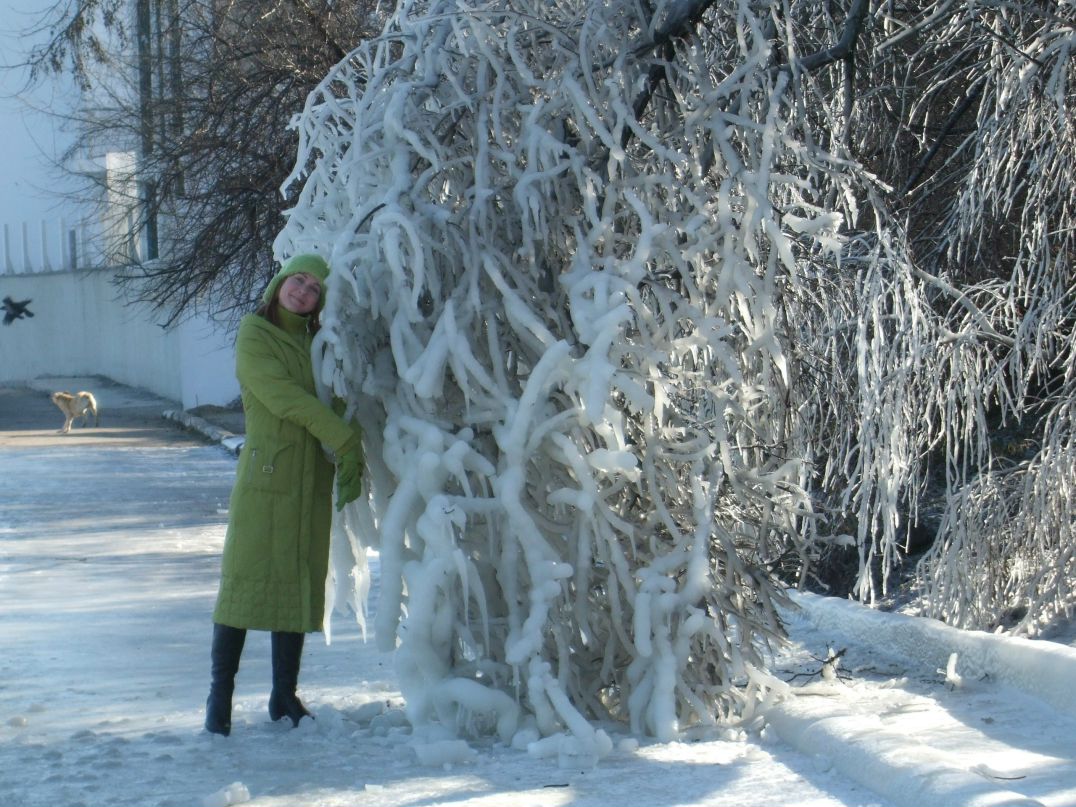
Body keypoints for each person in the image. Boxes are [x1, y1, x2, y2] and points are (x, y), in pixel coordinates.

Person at [204, 253, 364, 736]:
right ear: (279, 282)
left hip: (309, 480)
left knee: (297, 583)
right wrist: (343, 438)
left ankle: (283, 695)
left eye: (315, 289)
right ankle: (219, 700)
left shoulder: (316, 343)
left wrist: (352, 431)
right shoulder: (255, 334)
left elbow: (333, 398)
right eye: (299, 280)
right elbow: (283, 398)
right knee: (242, 586)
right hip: (267, 479)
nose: (303, 292)